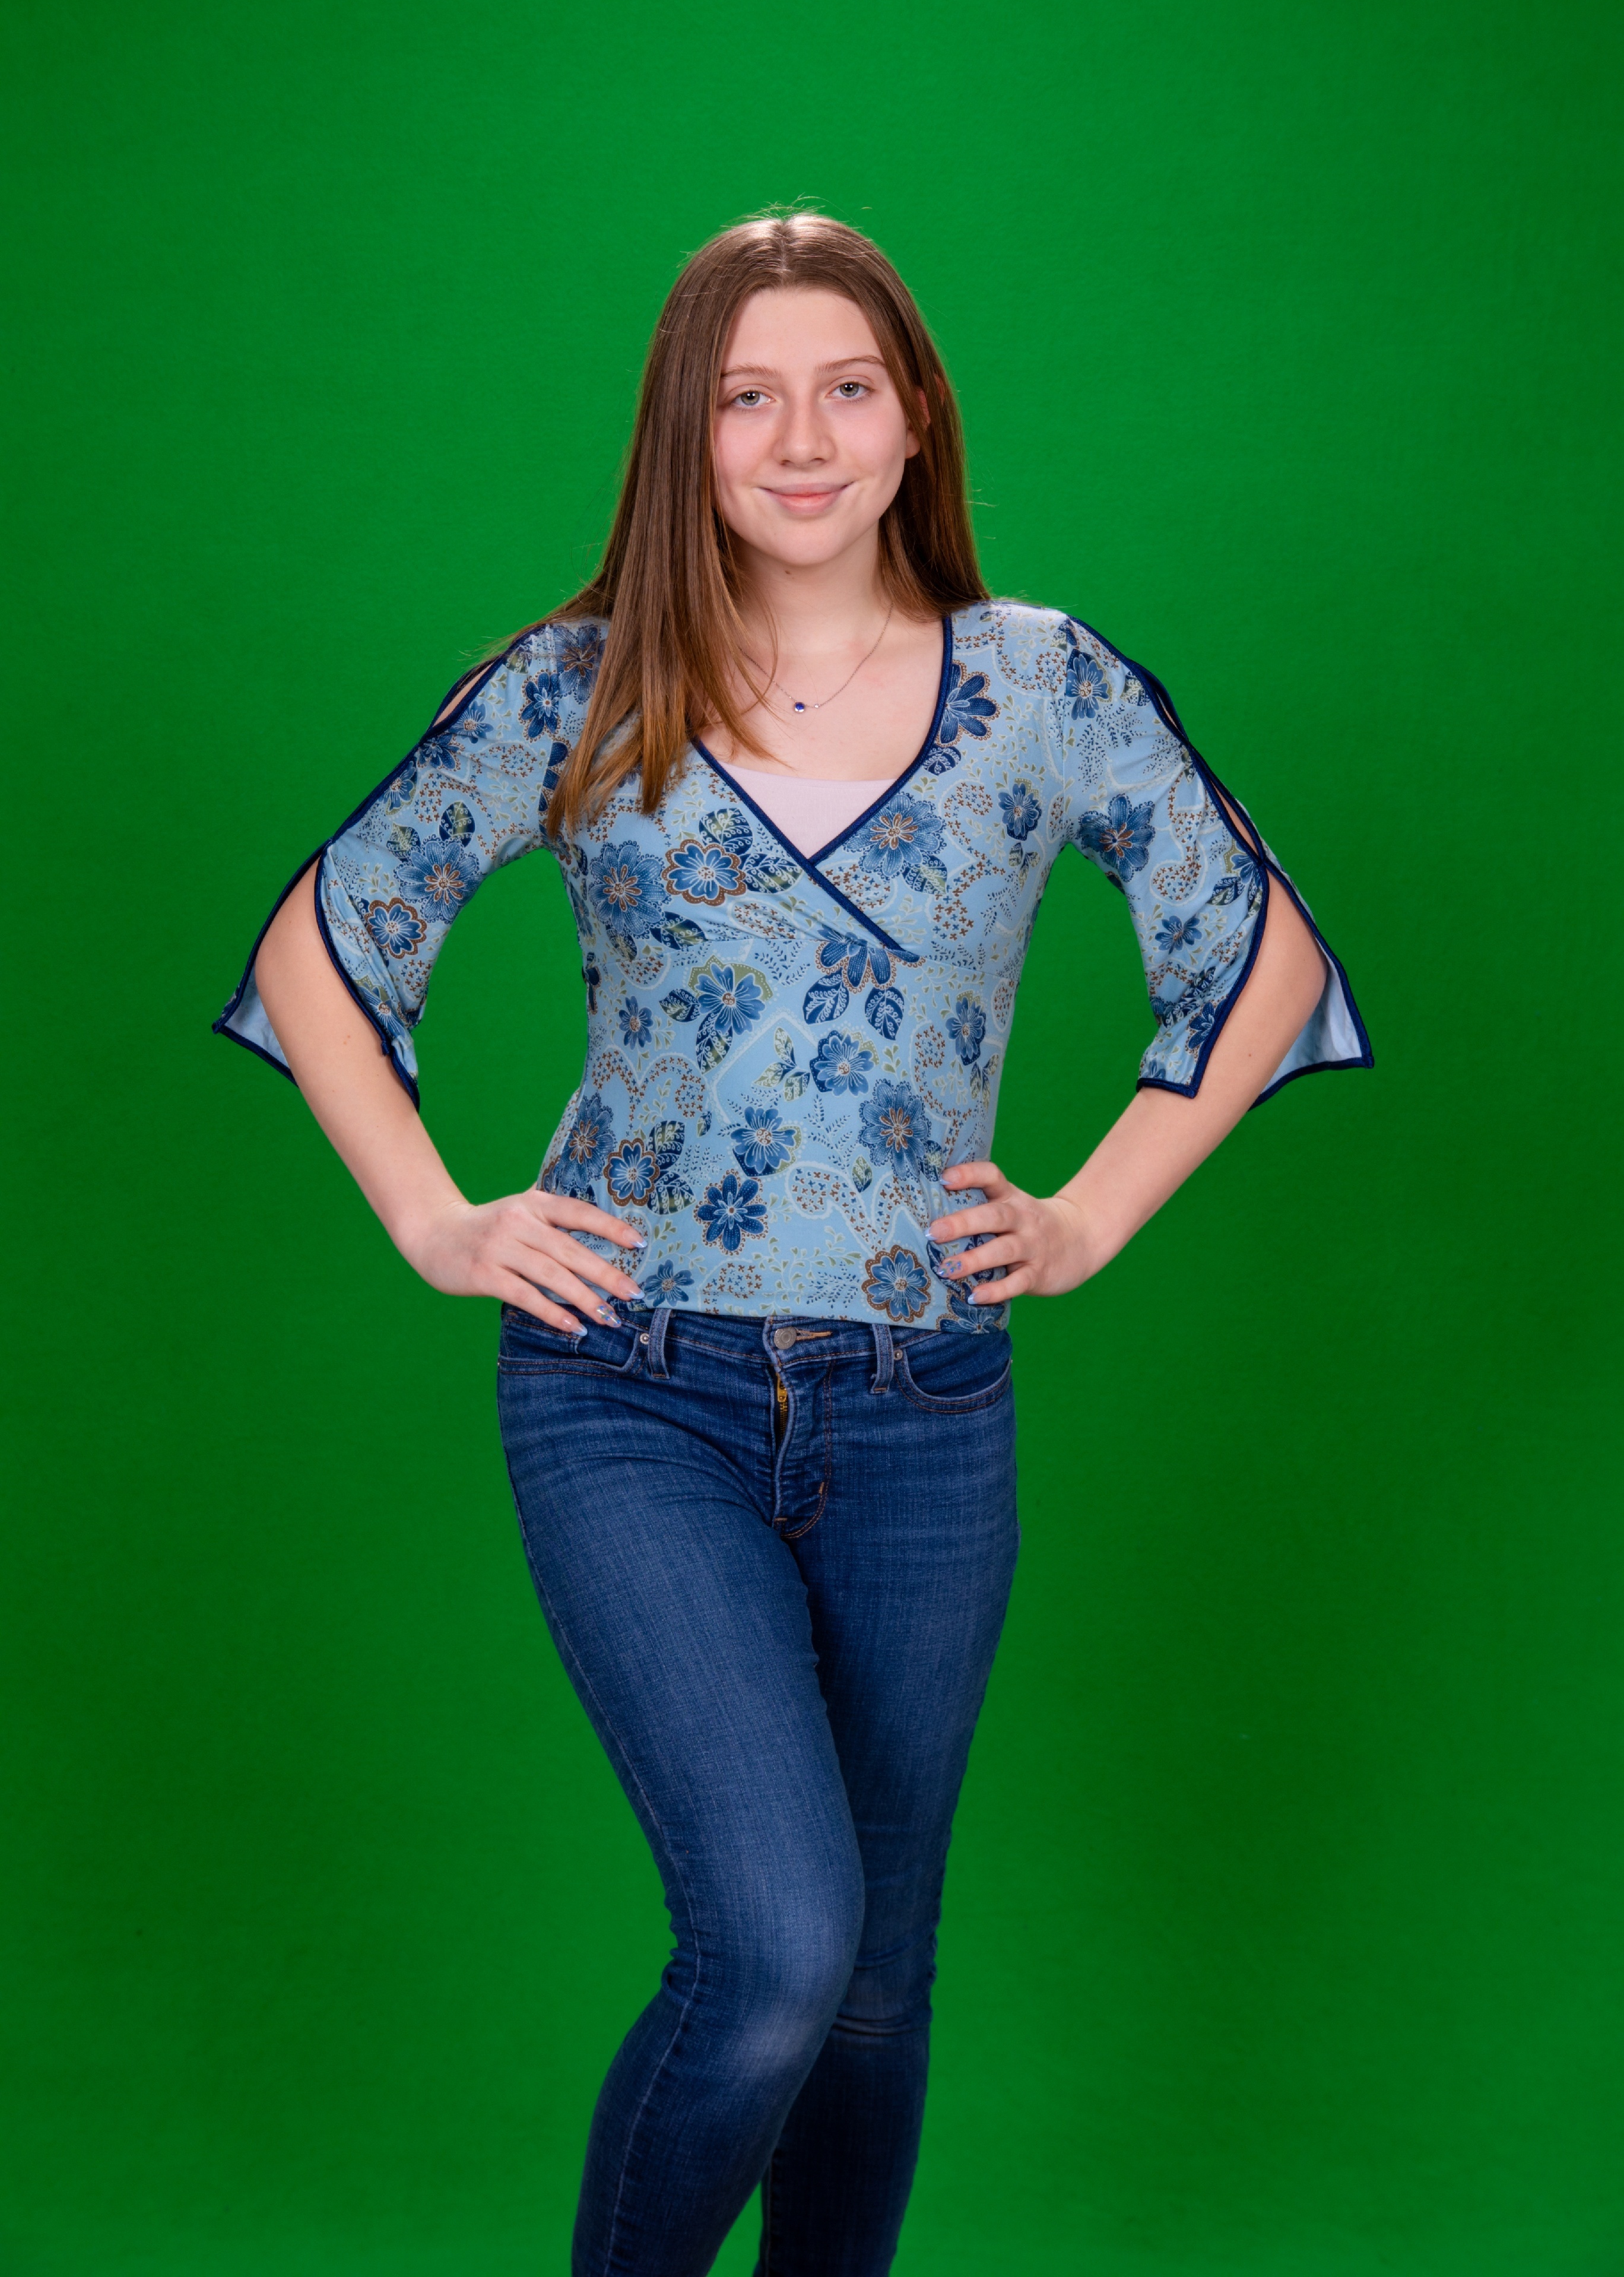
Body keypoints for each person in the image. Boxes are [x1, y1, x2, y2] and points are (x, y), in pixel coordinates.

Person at [217, 213, 1370, 2276]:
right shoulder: (581, 682)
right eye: (747, 398)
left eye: (847, 388)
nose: (803, 438)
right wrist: (436, 1217)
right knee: (774, 1946)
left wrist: (1092, 1211)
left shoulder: (1045, 684)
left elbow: (1261, 954)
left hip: (927, 1406)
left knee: (874, 1986)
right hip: (627, 1387)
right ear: (688, 435)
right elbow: (326, 937)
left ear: (917, 417)